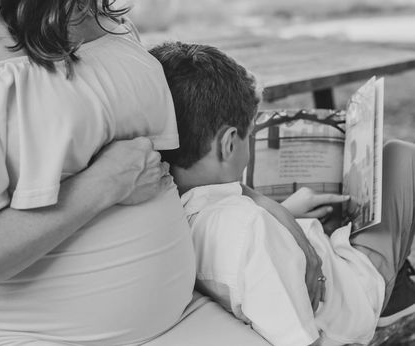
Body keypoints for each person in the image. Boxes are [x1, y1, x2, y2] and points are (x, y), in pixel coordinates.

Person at [0, 0, 334, 345]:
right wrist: (96, 189)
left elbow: (167, 159)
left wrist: (270, 211)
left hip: (181, 312)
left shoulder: (97, 14)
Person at [150, 41, 415, 346]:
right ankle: (395, 297)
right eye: (251, 133)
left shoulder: (164, 211)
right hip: (354, 295)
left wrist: (284, 211)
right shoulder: (251, 230)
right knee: (401, 156)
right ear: (230, 143)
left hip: (314, 262)